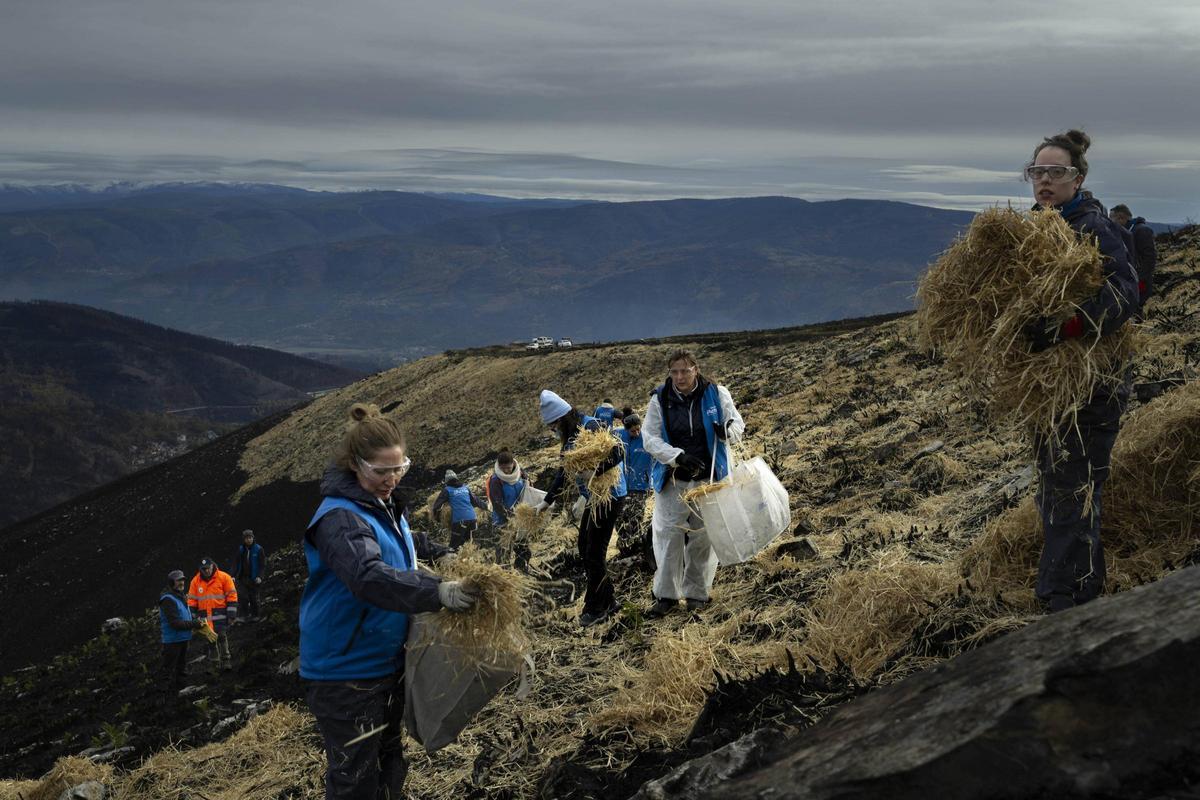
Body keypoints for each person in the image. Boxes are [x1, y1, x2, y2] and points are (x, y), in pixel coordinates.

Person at [301, 402, 477, 800]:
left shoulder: (379, 503)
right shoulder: (339, 518)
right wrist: (439, 593)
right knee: (356, 777)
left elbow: (396, 539)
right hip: (346, 672)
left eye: (400, 468)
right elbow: (367, 575)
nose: (392, 479)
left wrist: (436, 550)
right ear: (355, 464)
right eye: (382, 471)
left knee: (389, 759)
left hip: (383, 662)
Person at [1023, 129, 1139, 612]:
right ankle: (1076, 592)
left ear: (1078, 178)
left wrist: (1066, 325)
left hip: (1094, 383)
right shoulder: (1038, 228)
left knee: (1074, 485)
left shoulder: (1092, 228)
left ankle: (1066, 602)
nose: (1045, 181)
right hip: (1052, 387)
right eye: (1037, 173)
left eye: (1057, 172)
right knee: (1060, 484)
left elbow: (1125, 294)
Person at [642, 350, 745, 618]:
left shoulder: (716, 393)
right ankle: (666, 595)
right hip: (674, 479)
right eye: (674, 372)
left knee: (702, 536)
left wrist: (728, 431)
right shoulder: (660, 399)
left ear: (695, 370)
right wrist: (677, 457)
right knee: (668, 535)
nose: (679, 377)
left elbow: (737, 424)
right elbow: (650, 438)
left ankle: (697, 593)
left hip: (708, 478)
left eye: (685, 371)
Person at [537, 389, 627, 627]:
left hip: (609, 496)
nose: (553, 430)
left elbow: (618, 451)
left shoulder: (592, 427)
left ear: (563, 418)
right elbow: (564, 472)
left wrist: (596, 471)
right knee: (584, 546)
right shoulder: (569, 439)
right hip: (594, 499)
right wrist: (547, 501)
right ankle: (603, 599)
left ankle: (600, 607)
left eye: (553, 425)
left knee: (594, 552)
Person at [159, 569, 207, 698]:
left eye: (182, 580)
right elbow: (175, 623)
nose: (182, 582)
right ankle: (164, 696)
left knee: (181, 666)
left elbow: (185, 616)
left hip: (183, 638)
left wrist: (195, 620)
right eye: (178, 580)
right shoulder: (168, 600)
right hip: (172, 640)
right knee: (168, 668)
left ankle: (180, 692)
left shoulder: (180, 596)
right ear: (171, 582)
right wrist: (194, 624)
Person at [187, 557, 238, 671]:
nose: (206, 571)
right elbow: (191, 601)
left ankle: (226, 660)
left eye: (208, 568)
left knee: (222, 637)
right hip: (205, 618)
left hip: (221, 615)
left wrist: (231, 615)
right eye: (203, 569)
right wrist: (193, 619)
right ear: (200, 569)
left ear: (212, 566)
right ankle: (215, 663)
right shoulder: (195, 582)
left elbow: (232, 596)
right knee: (210, 641)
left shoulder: (224, 577)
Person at [1109, 204, 1157, 305]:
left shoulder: (1142, 230)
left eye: (1111, 218)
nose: (1109, 222)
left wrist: (1139, 280)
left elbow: (1150, 259)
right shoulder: (1127, 232)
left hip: (1140, 282)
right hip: (1131, 282)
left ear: (1121, 218)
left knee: (1137, 311)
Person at [431, 470, 488, 549]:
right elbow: (476, 501)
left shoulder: (447, 490)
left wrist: (437, 518)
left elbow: (436, 506)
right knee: (469, 545)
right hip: (473, 520)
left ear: (447, 482)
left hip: (460, 521)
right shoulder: (465, 488)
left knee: (453, 547)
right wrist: (487, 507)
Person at [486, 450, 529, 529]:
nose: (506, 471)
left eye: (508, 468)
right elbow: (497, 504)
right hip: (504, 519)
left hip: (521, 512)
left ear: (513, 463)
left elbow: (528, 487)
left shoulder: (520, 473)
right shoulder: (496, 480)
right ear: (499, 466)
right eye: (503, 468)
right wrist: (510, 516)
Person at [232, 529, 267, 622]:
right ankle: (244, 615)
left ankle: (256, 615)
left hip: (254, 578)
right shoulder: (241, 549)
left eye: (250, 537)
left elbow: (262, 565)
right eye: (246, 538)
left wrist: (260, 576)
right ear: (243, 539)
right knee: (242, 596)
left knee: (254, 597)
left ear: (253, 538)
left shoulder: (259, 549)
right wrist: (233, 575)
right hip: (243, 577)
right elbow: (236, 563)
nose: (249, 540)